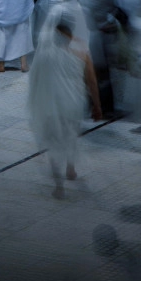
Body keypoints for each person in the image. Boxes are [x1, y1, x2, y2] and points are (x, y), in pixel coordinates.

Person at [28, 16, 102, 199]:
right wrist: (97, 106)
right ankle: (71, 168)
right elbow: (91, 81)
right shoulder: (82, 50)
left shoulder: (45, 55)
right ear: (70, 35)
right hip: (74, 103)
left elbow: (34, 81)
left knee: (54, 143)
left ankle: (59, 186)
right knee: (71, 135)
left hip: (53, 105)